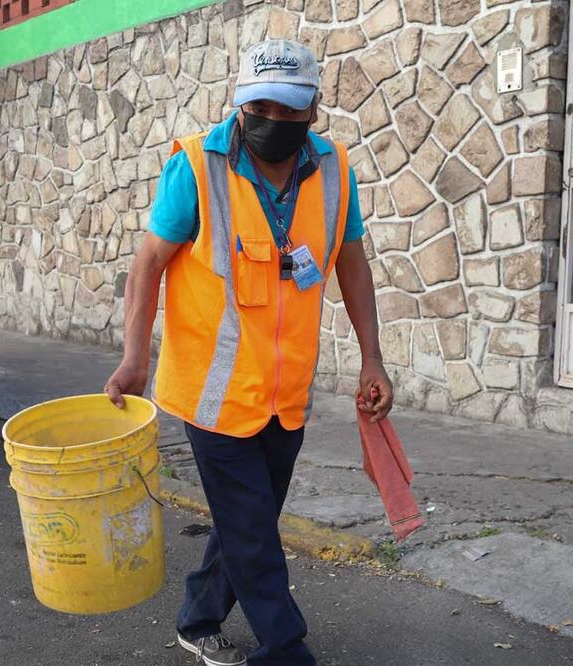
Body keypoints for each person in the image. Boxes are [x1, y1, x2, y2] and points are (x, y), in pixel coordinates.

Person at [105, 39, 394, 666]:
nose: (275, 121)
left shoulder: (335, 169)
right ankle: (286, 647)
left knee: (247, 522)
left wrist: (373, 359)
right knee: (254, 531)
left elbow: (352, 265)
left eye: (291, 110)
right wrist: (135, 357)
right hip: (212, 395)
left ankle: (197, 617)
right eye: (261, 106)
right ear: (240, 103)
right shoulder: (196, 166)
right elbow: (147, 266)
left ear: (314, 108)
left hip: (285, 397)